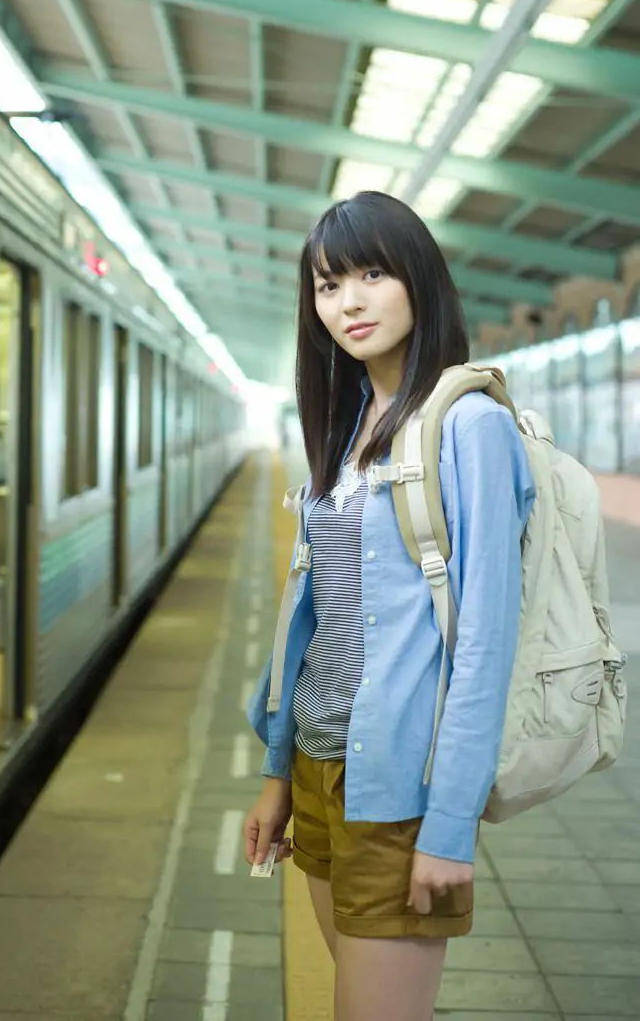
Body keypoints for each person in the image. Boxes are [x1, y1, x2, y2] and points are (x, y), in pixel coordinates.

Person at [243, 192, 536, 1021]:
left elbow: (484, 641)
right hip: (319, 768)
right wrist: (277, 774)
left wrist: (449, 826)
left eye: (374, 273)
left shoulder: (470, 427)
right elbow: (314, 619)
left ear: (420, 282)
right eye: (329, 284)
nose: (351, 301)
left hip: (400, 788)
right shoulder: (347, 424)